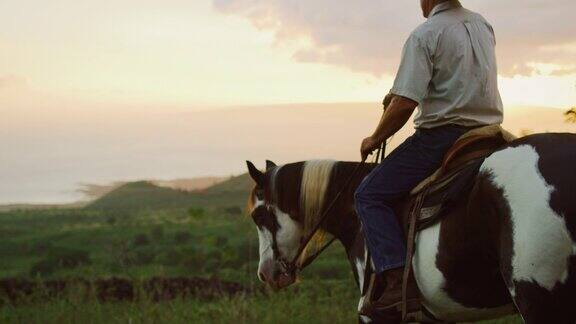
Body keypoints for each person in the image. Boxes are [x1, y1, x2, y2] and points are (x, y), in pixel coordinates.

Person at [354, 0, 503, 315]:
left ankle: (396, 282)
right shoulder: (482, 25)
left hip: (442, 137)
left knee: (368, 194)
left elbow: (406, 103)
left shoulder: (425, 34)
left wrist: (375, 137)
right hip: (489, 133)